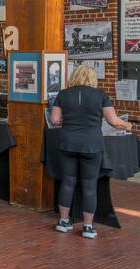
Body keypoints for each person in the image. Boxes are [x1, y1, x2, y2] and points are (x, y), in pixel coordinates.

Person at [49, 64, 132, 239]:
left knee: (67, 182)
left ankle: (63, 222)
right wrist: (127, 125)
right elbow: (114, 121)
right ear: (92, 78)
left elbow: (54, 120)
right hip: (91, 145)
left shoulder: (63, 94)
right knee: (89, 185)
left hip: (67, 143)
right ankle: (87, 227)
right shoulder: (100, 95)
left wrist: (71, 118)